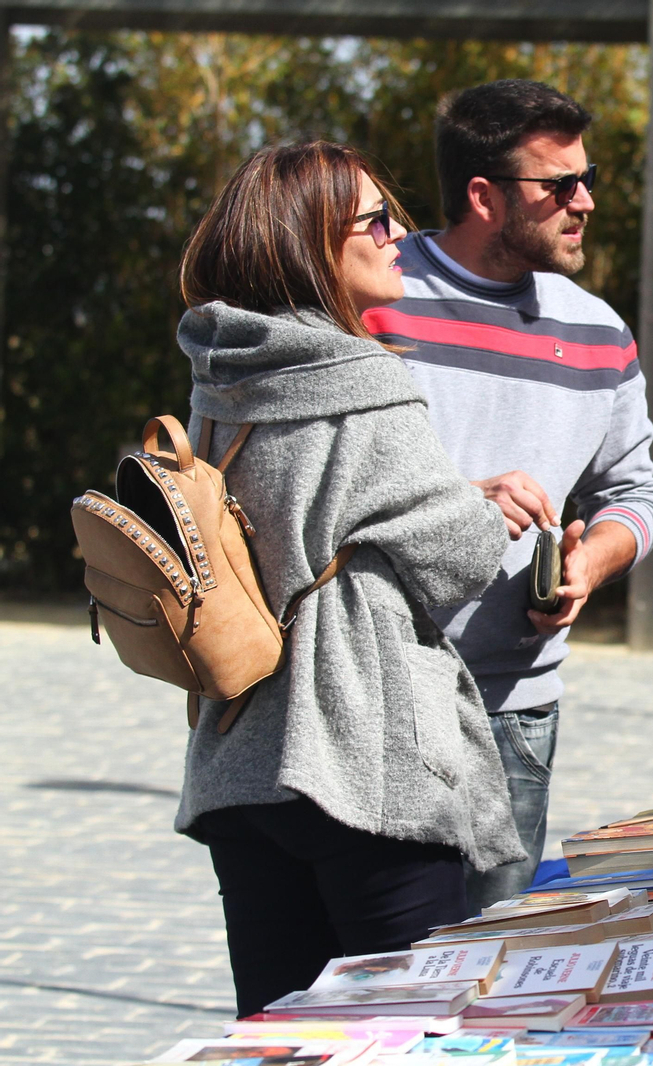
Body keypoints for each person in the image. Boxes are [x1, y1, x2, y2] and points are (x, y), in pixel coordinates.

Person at [174, 142, 525, 1017]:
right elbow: (459, 559)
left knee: (279, 1033)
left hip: (242, 758)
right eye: (375, 219)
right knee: (403, 1029)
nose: (400, 234)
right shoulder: (365, 378)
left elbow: (315, 506)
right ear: (311, 243)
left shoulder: (224, 375)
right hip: (367, 760)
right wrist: (487, 510)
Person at [364, 80, 653, 910]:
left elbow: (637, 495)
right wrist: (460, 504)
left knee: (477, 994)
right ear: (483, 195)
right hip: (377, 704)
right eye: (560, 185)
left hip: (515, 712)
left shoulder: (601, 333)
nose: (586, 201)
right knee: (368, 997)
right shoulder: (370, 301)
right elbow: (319, 479)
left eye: (587, 176)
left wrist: (588, 568)